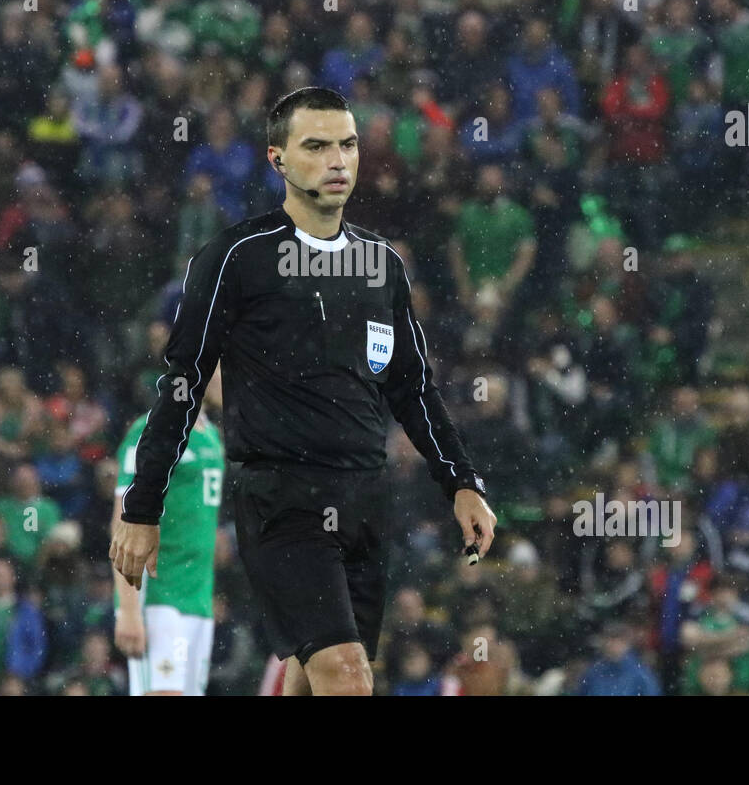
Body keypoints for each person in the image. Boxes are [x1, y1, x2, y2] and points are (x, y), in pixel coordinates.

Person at [111, 86, 495, 696]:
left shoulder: (382, 266)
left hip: (367, 498)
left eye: (347, 145)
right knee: (346, 676)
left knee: (310, 677)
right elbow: (183, 383)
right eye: (315, 146)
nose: (337, 160)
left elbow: (413, 388)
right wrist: (142, 504)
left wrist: (462, 482)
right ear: (277, 159)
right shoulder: (236, 257)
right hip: (281, 500)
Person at [111, 365, 226, 696]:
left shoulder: (210, 434)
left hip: (197, 601)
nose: (228, 375)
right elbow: (122, 522)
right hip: (159, 599)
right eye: (220, 367)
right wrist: (128, 609)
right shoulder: (155, 427)